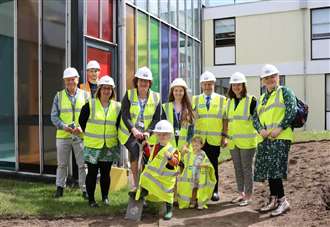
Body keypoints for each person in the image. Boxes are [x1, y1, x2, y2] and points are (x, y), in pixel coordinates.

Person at [253, 64, 297, 216]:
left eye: (273, 76)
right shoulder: (262, 98)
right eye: (267, 78)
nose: (270, 79)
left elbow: (292, 110)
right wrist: (261, 130)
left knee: (275, 169)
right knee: (269, 169)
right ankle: (273, 200)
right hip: (266, 139)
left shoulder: (285, 91)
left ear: (278, 77)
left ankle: (283, 201)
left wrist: (280, 128)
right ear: (262, 81)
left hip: (281, 137)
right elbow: (255, 118)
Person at [79, 76, 121, 208]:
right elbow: (82, 121)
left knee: (105, 174)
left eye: (109, 89)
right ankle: (91, 200)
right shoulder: (90, 104)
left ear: (112, 91)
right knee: (91, 173)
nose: (107, 91)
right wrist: (90, 133)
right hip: (92, 146)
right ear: (100, 89)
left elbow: (120, 124)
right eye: (104, 88)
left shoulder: (117, 106)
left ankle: (105, 197)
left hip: (109, 145)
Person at [118, 66, 161, 194]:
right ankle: (135, 185)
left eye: (146, 81)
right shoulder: (129, 94)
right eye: (141, 80)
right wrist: (133, 130)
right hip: (129, 133)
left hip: (147, 134)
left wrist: (148, 132)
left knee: (147, 160)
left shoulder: (156, 97)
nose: (143, 83)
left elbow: (156, 119)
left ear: (150, 83)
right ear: (136, 81)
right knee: (135, 152)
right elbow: (124, 115)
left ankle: (145, 187)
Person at [51, 67, 88, 198]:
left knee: (83, 164)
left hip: (80, 135)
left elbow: (91, 116)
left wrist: (82, 128)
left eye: (73, 79)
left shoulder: (85, 95)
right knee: (62, 164)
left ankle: (85, 190)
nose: (70, 82)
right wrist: (63, 126)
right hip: (63, 136)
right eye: (68, 80)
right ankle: (60, 188)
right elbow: (54, 116)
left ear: (77, 80)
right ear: (64, 81)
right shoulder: (59, 96)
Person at [222, 72, 257, 206]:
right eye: (234, 84)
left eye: (239, 84)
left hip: (248, 142)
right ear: (231, 86)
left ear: (243, 85)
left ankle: (248, 196)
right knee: (237, 168)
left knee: (246, 169)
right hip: (233, 142)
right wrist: (225, 137)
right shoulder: (229, 102)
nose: (236, 87)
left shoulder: (251, 100)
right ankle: (241, 194)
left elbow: (258, 120)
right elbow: (226, 119)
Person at [192, 71, 227, 201]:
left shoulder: (222, 99)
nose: (207, 87)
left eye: (210, 84)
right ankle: (201, 191)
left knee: (213, 165)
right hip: (200, 141)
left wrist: (224, 137)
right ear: (201, 85)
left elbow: (225, 119)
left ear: (214, 84)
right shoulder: (195, 99)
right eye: (205, 84)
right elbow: (191, 118)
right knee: (199, 166)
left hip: (214, 139)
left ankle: (214, 191)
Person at [135, 120, 180, 220]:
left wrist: (170, 158)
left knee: (168, 195)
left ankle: (169, 211)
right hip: (154, 177)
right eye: (159, 135)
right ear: (156, 135)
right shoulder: (155, 146)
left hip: (166, 180)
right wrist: (145, 145)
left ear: (170, 136)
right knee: (144, 178)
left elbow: (176, 162)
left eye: (164, 135)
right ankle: (143, 192)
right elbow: (150, 155)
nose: (161, 137)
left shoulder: (172, 150)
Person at [177, 135, 216, 210]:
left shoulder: (203, 154)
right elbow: (183, 158)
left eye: (197, 145)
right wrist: (184, 150)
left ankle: (201, 203)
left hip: (200, 176)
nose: (195, 147)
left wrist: (202, 165)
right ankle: (193, 201)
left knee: (201, 189)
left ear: (201, 145)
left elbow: (208, 164)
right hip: (192, 176)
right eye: (193, 145)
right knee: (193, 189)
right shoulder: (190, 153)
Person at [162, 78, 194, 151]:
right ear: (172, 92)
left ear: (184, 92)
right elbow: (163, 129)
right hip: (169, 147)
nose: (178, 93)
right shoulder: (165, 107)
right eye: (176, 90)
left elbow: (191, 130)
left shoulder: (189, 108)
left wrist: (186, 145)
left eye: (181, 91)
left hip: (184, 149)